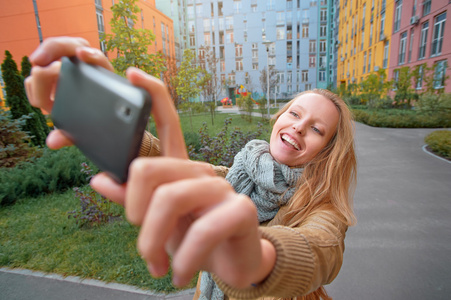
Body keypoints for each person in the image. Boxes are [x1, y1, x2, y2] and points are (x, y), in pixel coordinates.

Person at [25, 37, 357, 300]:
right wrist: (112, 121)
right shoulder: (240, 175)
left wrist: (252, 256)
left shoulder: (327, 212)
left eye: (316, 129)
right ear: (280, 117)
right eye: (295, 114)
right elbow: (177, 169)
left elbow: (318, 251)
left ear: (327, 151)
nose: (299, 127)